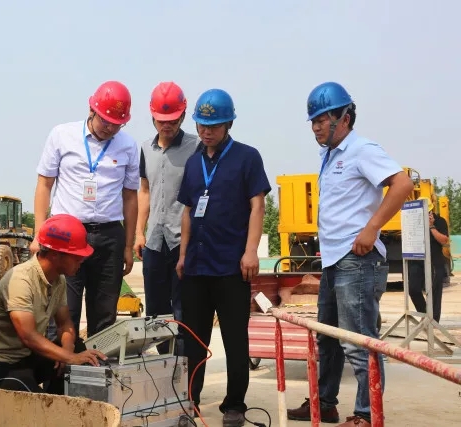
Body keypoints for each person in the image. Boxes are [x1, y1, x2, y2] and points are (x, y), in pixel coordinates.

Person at [287, 82, 414, 427]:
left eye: (321, 120)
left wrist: (372, 228)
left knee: (360, 342)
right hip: (333, 260)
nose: (315, 127)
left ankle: (366, 414)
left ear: (344, 118)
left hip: (357, 261)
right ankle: (325, 403)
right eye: (313, 121)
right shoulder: (330, 155)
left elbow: (402, 184)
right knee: (327, 338)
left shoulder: (362, 149)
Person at [176, 88, 271, 427]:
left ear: (229, 123)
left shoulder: (247, 157)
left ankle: (234, 405)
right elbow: (188, 210)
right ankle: (191, 400)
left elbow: (257, 206)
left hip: (232, 266)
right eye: (202, 125)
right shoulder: (193, 163)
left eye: (214, 125)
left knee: (235, 339)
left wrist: (250, 251)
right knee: (194, 341)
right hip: (196, 266)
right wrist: (183, 254)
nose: (206, 131)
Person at [32, 81, 140, 339]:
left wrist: (128, 245)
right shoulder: (62, 135)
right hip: (66, 237)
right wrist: (39, 234)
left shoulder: (128, 145)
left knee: (104, 317)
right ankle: (58, 366)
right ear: (92, 110)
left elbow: (130, 197)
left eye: (117, 124)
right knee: (63, 312)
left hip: (109, 236)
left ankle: (98, 364)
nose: (110, 128)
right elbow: (44, 184)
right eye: (106, 121)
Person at [0, 214, 107, 394]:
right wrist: (70, 357)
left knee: (77, 348)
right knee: (31, 399)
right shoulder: (21, 279)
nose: (81, 261)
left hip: (24, 357)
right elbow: (29, 336)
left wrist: (67, 351)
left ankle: (61, 402)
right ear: (55, 255)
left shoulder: (58, 280)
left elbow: (65, 324)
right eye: (77, 256)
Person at [134, 81, 198, 355]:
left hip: (183, 242)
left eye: (172, 120)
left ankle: (183, 370)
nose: (167, 125)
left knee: (183, 311)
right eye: (161, 120)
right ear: (152, 116)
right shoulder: (146, 148)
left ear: (182, 116)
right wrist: (139, 232)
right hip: (154, 242)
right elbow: (145, 190)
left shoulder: (196, 148)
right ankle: (163, 367)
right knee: (155, 312)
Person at [408, 196, 449, 323]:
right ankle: (425, 314)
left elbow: (444, 240)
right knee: (413, 289)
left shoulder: (440, 221)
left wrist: (431, 227)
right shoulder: (414, 221)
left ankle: (434, 321)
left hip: (434, 261)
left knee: (434, 292)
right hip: (417, 261)